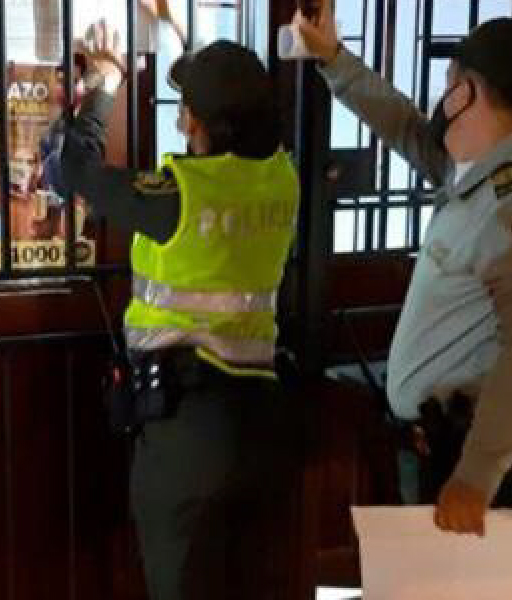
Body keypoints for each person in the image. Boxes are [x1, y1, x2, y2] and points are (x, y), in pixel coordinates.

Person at [61, 11, 300, 600]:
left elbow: (74, 170)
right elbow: (227, 109)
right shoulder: (283, 177)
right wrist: (171, 26)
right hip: (264, 425)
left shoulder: (178, 196)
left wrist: (103, 87)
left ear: (194, 119)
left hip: (189, 430)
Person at [297, 1, 512, 536]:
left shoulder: (505, 206)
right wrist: (334, 58)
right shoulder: (473, 175)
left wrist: (475, 476)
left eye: (449, 82)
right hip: (435, 446)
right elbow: (405, 126)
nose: (442, 96)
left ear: (466, 92)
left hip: (467, 468)